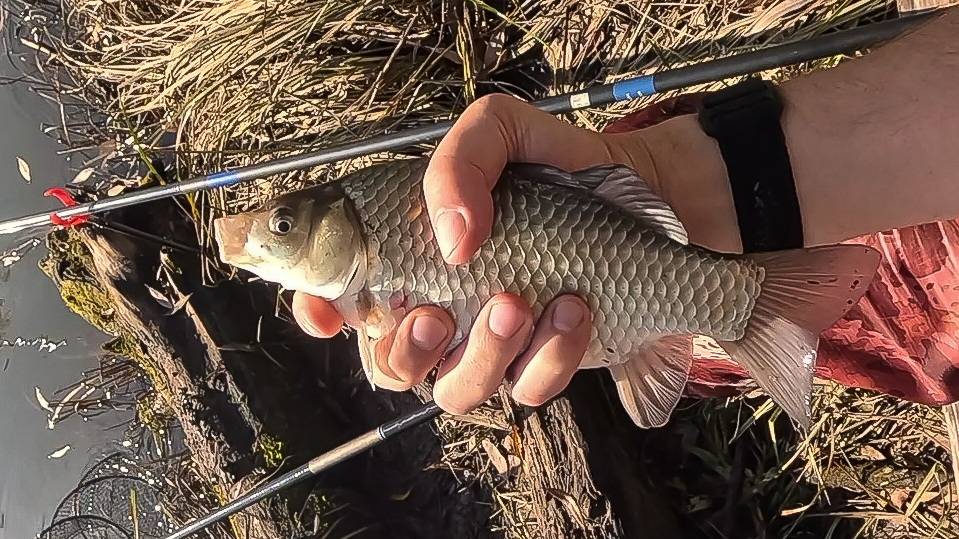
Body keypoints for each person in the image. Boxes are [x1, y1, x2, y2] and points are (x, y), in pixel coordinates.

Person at [292, 8, 959, 416]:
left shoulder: (373, 230)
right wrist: (692, 180)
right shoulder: (361, 277)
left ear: (337, 226)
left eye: (284, 226)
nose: (266, 241)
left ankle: (720, 304)